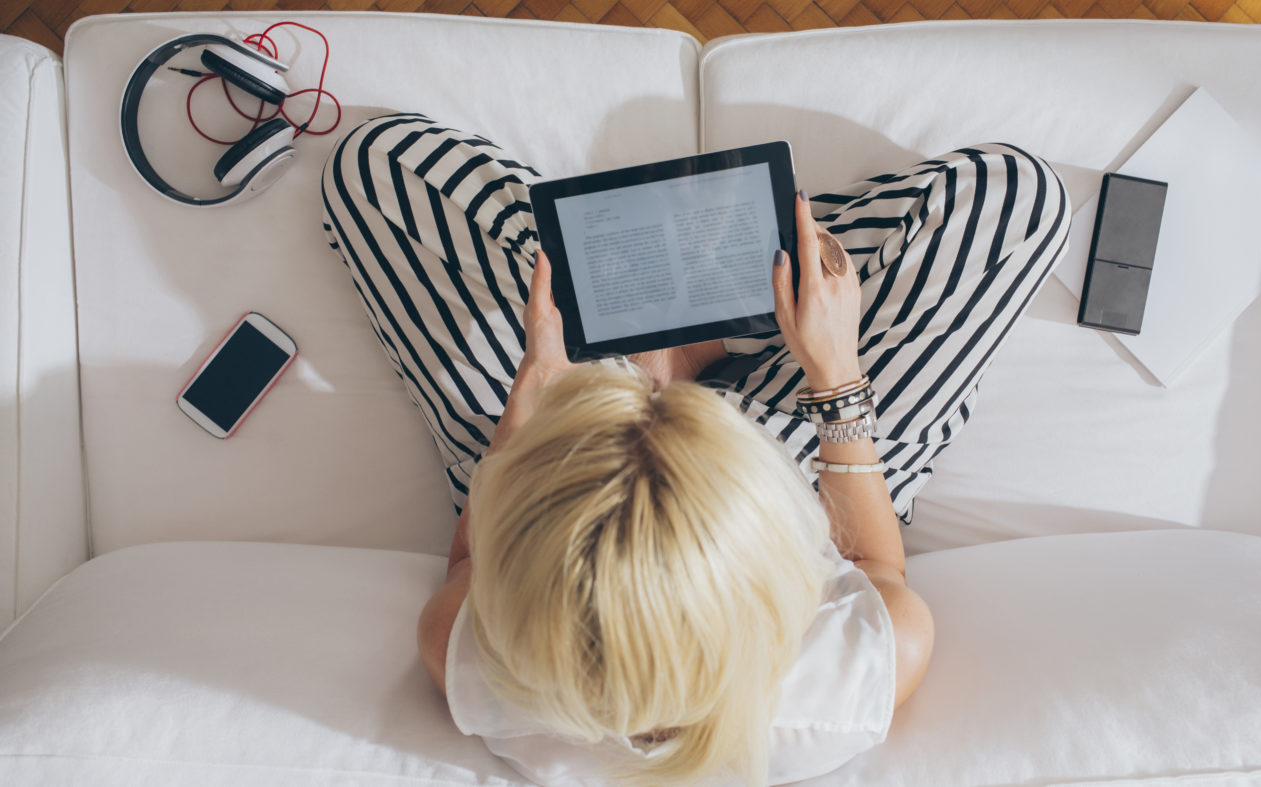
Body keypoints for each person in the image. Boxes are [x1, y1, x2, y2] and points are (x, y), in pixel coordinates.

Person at [321, 113, 1069, 786]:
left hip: (560, 444)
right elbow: (874, 567)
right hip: (804, 457)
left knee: (375, 167)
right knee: (1013, 198)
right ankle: (752, 286)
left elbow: (468, 565)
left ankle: (652, 323)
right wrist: (835, 372)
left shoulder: (474, 666)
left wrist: (534, 396)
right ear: (774, 576)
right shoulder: (849, 682)